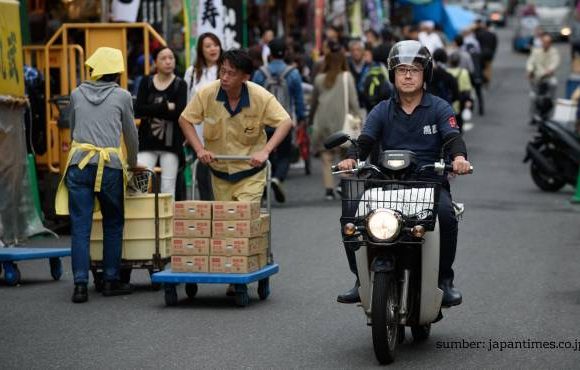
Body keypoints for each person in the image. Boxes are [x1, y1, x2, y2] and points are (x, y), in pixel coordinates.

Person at [335, 40, 471, 308]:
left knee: (446, 216)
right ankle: (360, 280)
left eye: (414, 70)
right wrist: (351, 158)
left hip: (429, 186)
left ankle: (444, 280)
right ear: (393, 75)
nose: (408, 76)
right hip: (386, 185)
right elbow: (365, 142)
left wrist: (459, 158)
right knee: (351, 215)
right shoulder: (381, 110)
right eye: (401, 70)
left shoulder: (440, 108)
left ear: (425, 75)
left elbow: (453, 137)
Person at [55, 47, 139, 303]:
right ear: (116, 73)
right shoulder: (123, 96)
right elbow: (130, 135)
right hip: (110, 165)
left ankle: (80, 285)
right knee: (113, 223)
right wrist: (133, 163)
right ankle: (111, 280)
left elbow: (73, 130)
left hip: (79, 164)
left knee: (80, 227)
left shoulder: (77, 93)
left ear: (94, 70)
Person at [178, 49, 293, 204]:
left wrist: (265, 151)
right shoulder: (207, 93)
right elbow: (185, 119)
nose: (224, 77)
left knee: (243, 217)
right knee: (227, 223)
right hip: (220, 173)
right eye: (223, 71)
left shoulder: (260, 96)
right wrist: (199, 149)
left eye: (231, 73)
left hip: (251, 172)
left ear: (245, 77)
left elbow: (285, 122)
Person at [252, 38, 307, 203]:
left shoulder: (260, 73)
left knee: (264, 153)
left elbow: (253, 97)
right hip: (284, 122)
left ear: (270, 53)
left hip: (264, 122)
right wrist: (301, 117)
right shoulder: (293, 73)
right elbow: (298, 99)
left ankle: (262, 186)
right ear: (286, 52)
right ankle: (277, 178)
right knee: (284, 154)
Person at [309, 41, 361, 200]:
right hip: (342, 121)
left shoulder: (319, 79)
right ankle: (342, 184)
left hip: (323, 121)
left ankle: (329, 190)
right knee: (345, 156)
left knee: (327, 157)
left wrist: (310, 119)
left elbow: (314, 102)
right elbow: (353, 102)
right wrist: (358, 118)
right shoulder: (347, 77)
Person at [135, 47, 187, 199]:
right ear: (155, 62)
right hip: (147, 142)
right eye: (163, 58)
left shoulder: (180, 84)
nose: (168, 61)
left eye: (171, 57)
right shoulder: (146, 82)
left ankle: (167, 222)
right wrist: (165, 106)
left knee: (168, 187)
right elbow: (138, 110)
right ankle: (142, 220)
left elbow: (179, 113)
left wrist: (151, 109)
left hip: (171, 144)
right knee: (140, 184)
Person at [183, 32, 222, 200]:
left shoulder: (226, 69)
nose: (213, 49)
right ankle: (208, 213)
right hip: (199, 130)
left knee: (221, 175)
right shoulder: (192, 73)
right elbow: (187, 103)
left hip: (223, 129)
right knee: (203, 173)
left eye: (215, 45)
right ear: (200, 50)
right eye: (208, 46)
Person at [526, 32, 561, 123]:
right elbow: (530, 61)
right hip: (537, 78)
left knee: (553, 85)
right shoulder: (536, 51)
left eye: (548, 42)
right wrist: (530, 70)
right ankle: (533, 116)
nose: (546, 44)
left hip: (548, 77)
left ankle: (549, 116)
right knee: (533, 96)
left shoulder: (554, 52)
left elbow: (555, 62)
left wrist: (550, 70)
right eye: (544, 42)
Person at [347, 39, 371, 108]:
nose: (355, 53)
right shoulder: (347, 67)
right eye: (353, 50)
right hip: (351, 105)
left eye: (358, 50)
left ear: (363, 51)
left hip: (366, 105)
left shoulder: (369, 66)